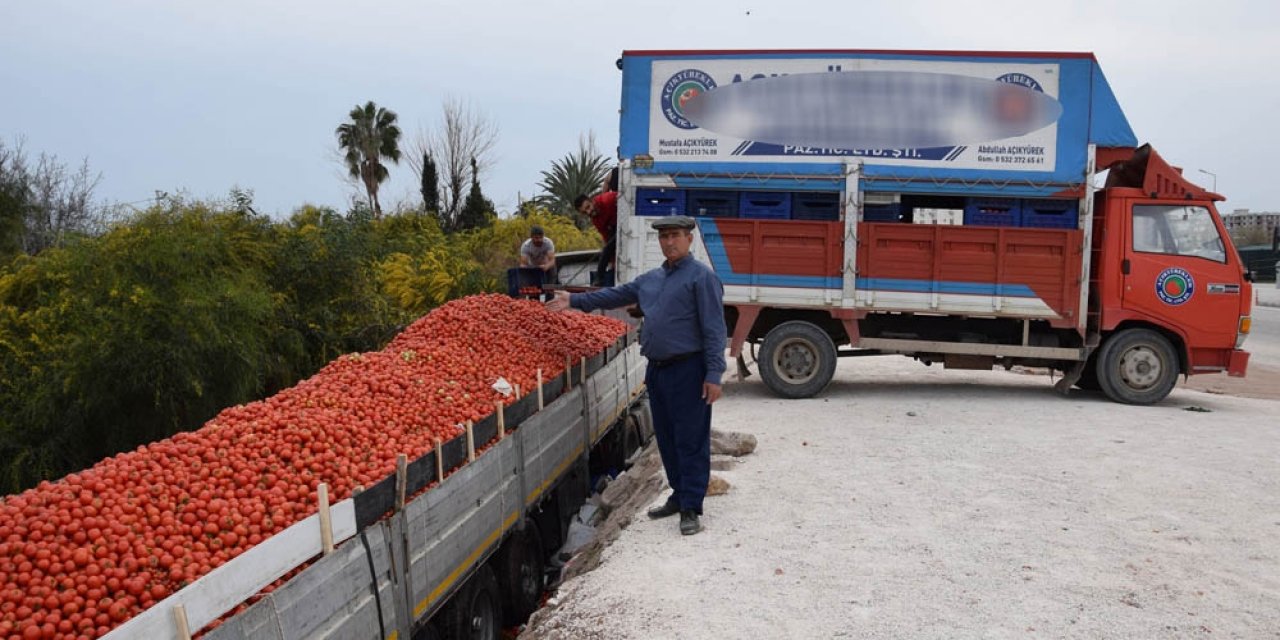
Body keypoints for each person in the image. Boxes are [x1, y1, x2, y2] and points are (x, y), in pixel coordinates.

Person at [546, 215, 726, 536]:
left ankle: (691, 506)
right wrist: (573, 300)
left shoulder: (702, 279)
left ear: (689, 239)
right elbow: (614, 295)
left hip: (689, 369)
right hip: (657, 370)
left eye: (674, 236)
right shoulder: (651, 279)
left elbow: (714, 330)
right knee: (667, 438)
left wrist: (714, 373)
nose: (668, 242)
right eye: (663, 237)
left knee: (690, 439)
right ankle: (677, 493)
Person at [575, 189, 617, 287]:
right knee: (606, 249)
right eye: (585, 212)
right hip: (614, 232)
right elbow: (606, 238)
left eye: (588, 207)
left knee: (607, 249)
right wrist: (613, 261)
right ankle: (601, 279)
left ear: (592, 200)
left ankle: (599, 278)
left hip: (625, 224)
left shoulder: (607, 199)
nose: (589, 212)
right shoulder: (595, 220)